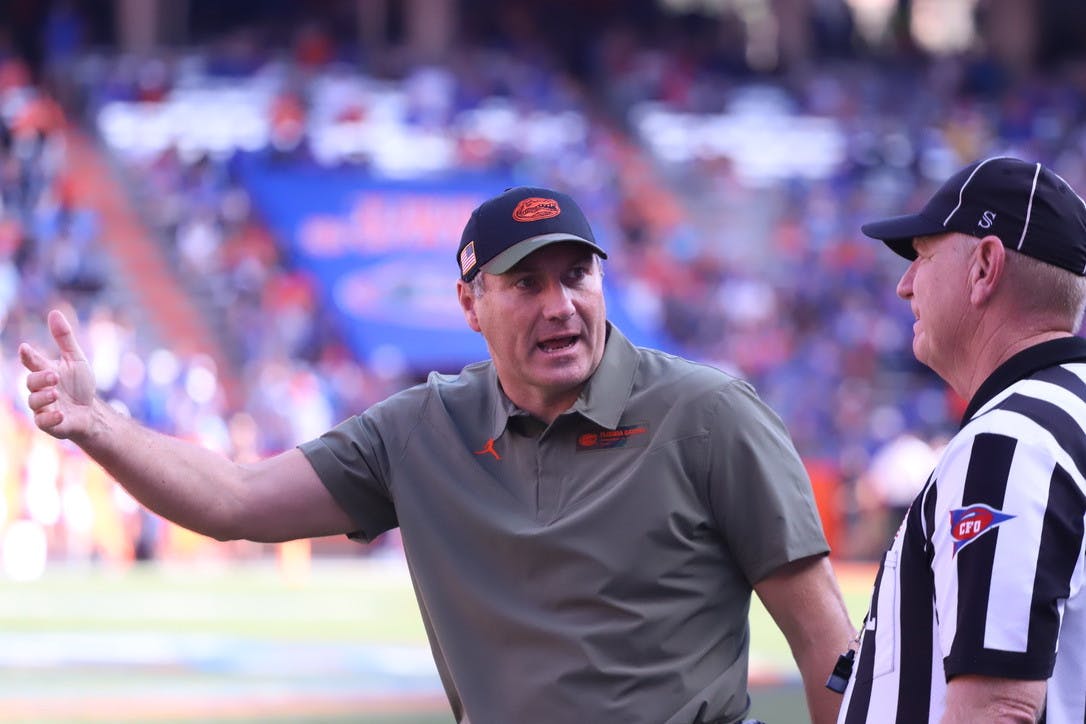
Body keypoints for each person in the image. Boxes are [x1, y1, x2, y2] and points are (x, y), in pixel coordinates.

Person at [21, 185, 854, 724]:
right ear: (470, 303)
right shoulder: (421, 429)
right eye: (527, 284)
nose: (561, 306)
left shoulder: (708, 414)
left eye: (578, 276)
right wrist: (102, 427)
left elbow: (827, 645)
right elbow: (237, 500)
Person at [837, 157, 1086, 723]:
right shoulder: (1065, 415)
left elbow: (996, 709)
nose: (904, 286)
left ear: (984, 267)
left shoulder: (1011, 440)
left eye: (922, 257)